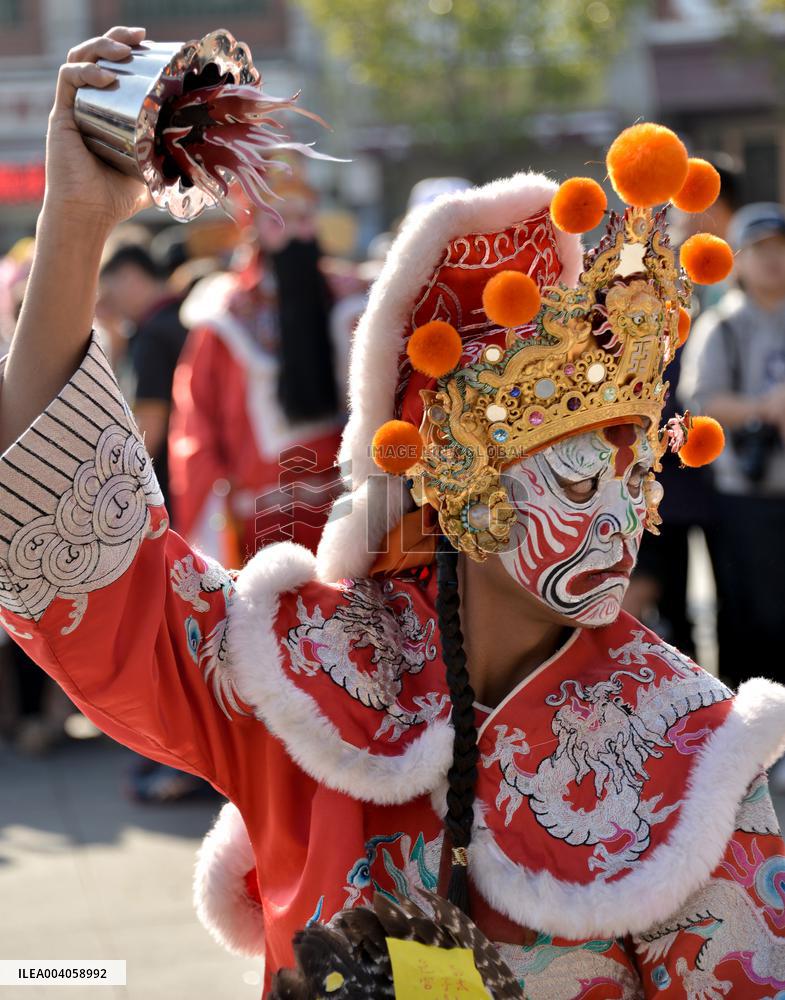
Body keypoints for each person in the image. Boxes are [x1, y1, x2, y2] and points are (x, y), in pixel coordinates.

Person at [1, 28, 784, 999]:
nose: (619, 514)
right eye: (579, 469)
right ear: (456, 478)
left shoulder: (701, 760)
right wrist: (77, 219)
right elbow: (75, 551)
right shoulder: (307, 678)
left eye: (638, 471)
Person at [168, 174, 345, 564]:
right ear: (253, 229)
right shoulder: (223, 317)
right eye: (279, 219)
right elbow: (195, 421)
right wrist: (209, 518)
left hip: (343, 509)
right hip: (260, 517)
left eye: (304, 217)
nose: (297, 231)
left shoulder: (348, 299)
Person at [680, 202, 785, 686]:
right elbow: (699, 402)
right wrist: (766, 409)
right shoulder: (720, 325)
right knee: (749, 622)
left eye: (781, 248)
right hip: (744, 494)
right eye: (761, 249)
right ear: (739, 260)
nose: (773, 259)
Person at [99, 240, 189, 509]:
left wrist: (121, 492)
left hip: (169, 487)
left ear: (130, 276)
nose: (108, 305)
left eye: (108, 294)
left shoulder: (152, 336)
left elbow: (151, 425)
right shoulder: (180, 316)